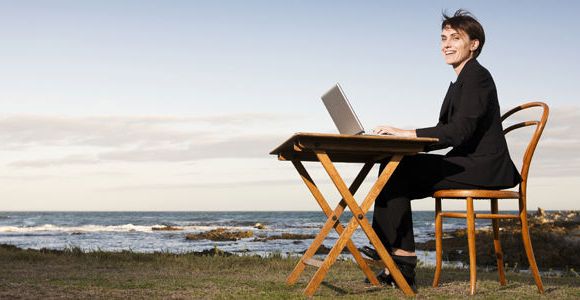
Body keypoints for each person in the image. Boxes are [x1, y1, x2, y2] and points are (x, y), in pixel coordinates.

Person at [360, 10, 521, 291]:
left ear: (474, 44)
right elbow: (443, 129)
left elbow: (457, 132)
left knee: (397, 167)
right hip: (465, 162)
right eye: (443, 38)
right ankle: (395, 258)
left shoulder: (477, 77)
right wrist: (403, 139)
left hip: (483, 167)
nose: (446, 44)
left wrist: (404, 133)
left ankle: (399, 258)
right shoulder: (459, 81)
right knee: (394, 165)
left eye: (455, 38)